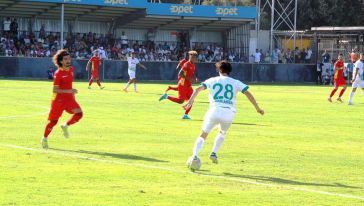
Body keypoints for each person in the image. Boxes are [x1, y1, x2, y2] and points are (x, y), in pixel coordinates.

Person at [183, 60, 264, 170]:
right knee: (222, 132)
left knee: (203, 135)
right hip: (229, 113)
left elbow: (197, 89)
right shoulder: (235, 82)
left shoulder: (212, 80)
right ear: (229, 70)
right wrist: (257, 108)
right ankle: (214, 152)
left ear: (218, 70)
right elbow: (247, 92)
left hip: (214, 110)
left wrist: (190, 101)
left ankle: (194, 156)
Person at [41, 50, 83, 149]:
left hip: (69, 99)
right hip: (58, 101)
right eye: (65, 59)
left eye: (69, 58)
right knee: (53, 122)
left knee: (79, 114)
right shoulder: (58, 73)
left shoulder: (71, 69)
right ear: (61, 61)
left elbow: (69, 85)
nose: (68, 61)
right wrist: (69, 91)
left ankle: (65, 125)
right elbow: (54, 89)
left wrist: (72, 94)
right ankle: (44, 138)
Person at [159, 50, 198, 119]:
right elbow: (180, 73)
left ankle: (185, 115)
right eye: (193, 57)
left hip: (188, 85)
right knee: (181, 101)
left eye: (195, 57)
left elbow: (192, 73)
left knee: (191, 100)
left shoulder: (193, 65)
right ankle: (166, 96)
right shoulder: (186, 64)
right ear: (190, 57)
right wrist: (188, 79)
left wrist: (195, 78)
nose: (195, 59)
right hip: (182, 84)